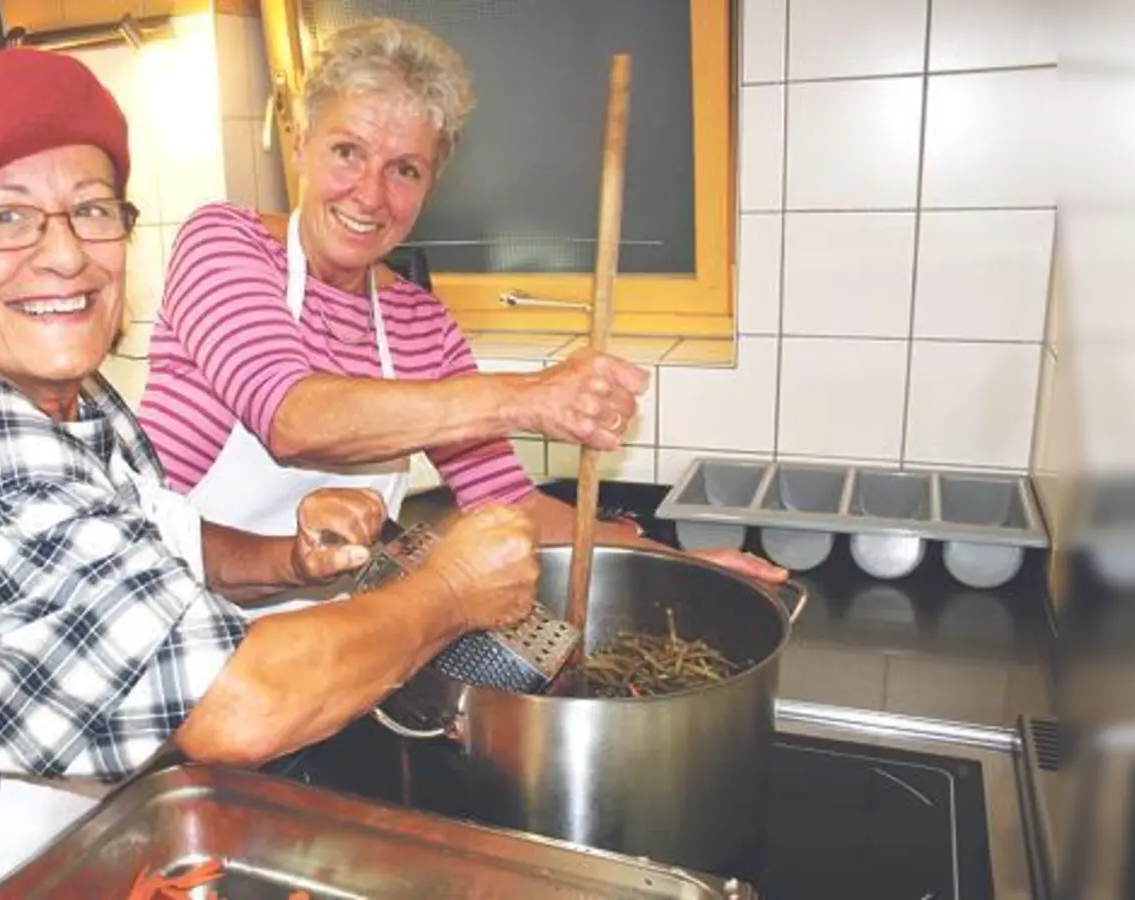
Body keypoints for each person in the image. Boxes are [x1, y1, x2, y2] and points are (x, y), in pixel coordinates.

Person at [0, 48, 539, 900]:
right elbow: (238, 706)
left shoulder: (69, 396)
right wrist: (450, 591)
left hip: (33, 859)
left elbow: (160, 543)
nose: (65, 256)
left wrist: (288, 560)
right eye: (6, 219)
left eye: (91, 211)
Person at [137, 18, 785, 599]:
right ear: (301, 143)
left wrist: (681, 565)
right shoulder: (225, 243)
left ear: (430, 184)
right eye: (347, 151)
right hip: (168, 614)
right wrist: (529, 396)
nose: (370, 194)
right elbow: (292, 417)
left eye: (404, 169)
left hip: (323, 640)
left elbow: (507, 505)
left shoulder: (420, 325)